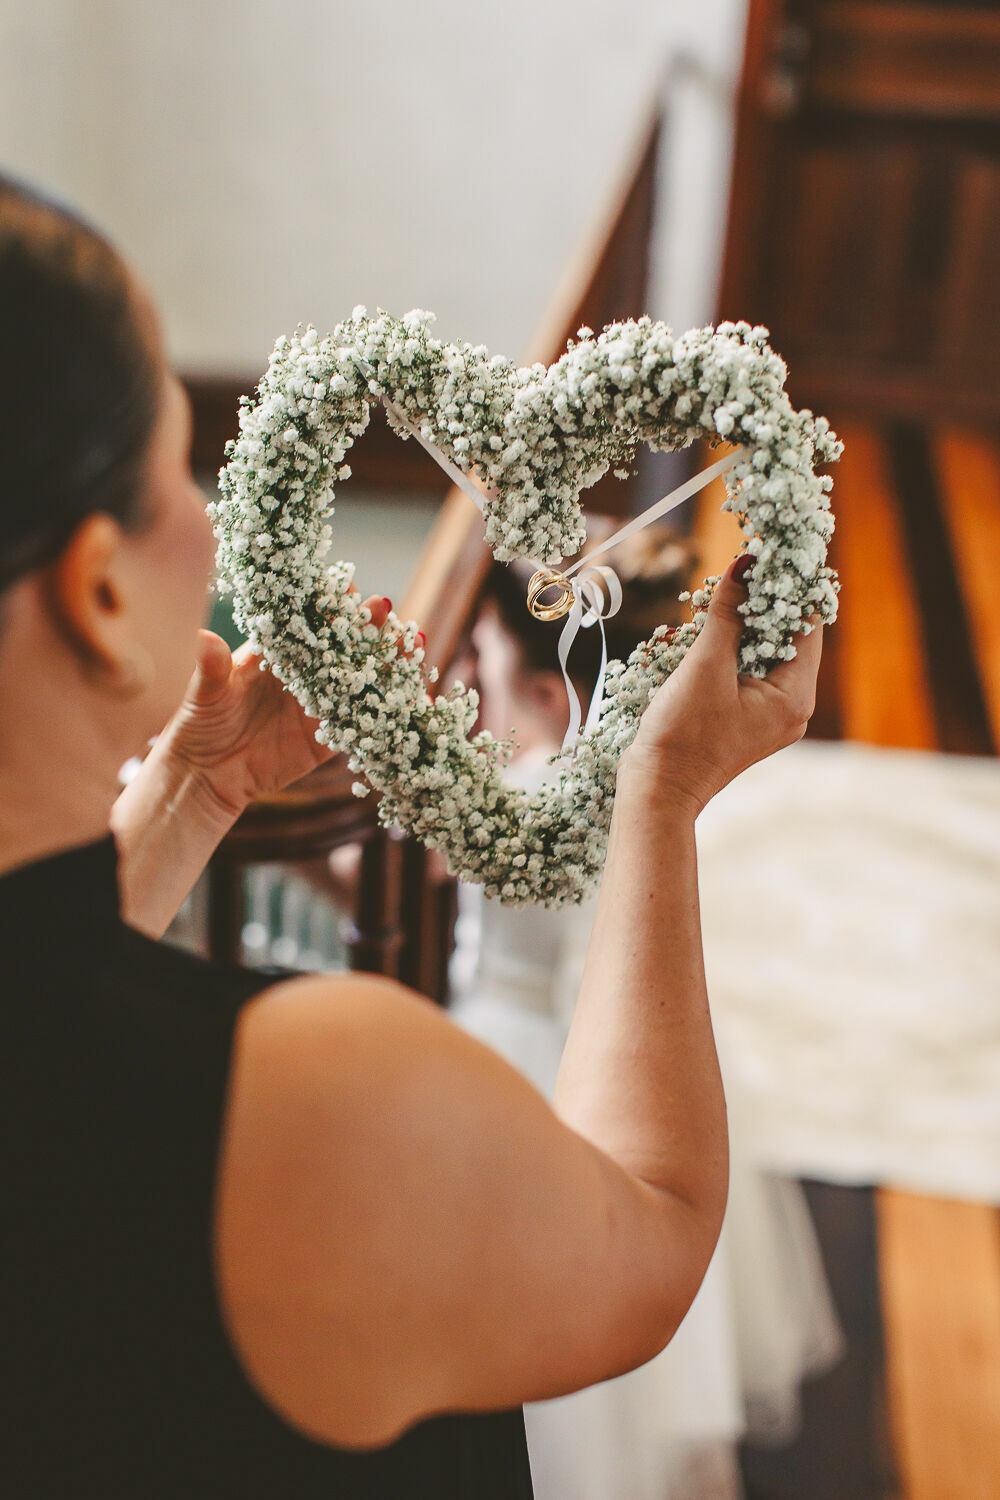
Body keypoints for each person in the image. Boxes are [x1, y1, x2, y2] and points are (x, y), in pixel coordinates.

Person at [0, 175, 823, 1499]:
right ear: (98, 588)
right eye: (173, 470)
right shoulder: (319, 1105)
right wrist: (658, 800)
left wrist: (193, 799)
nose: (208, 522)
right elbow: (653, 1242)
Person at [449, 538, 843, 1500]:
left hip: (526, 1068)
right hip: (622, 1046)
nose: (466, 680)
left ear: (548, 695)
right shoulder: (615, 791)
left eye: (486, 665)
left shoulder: (519, 802)